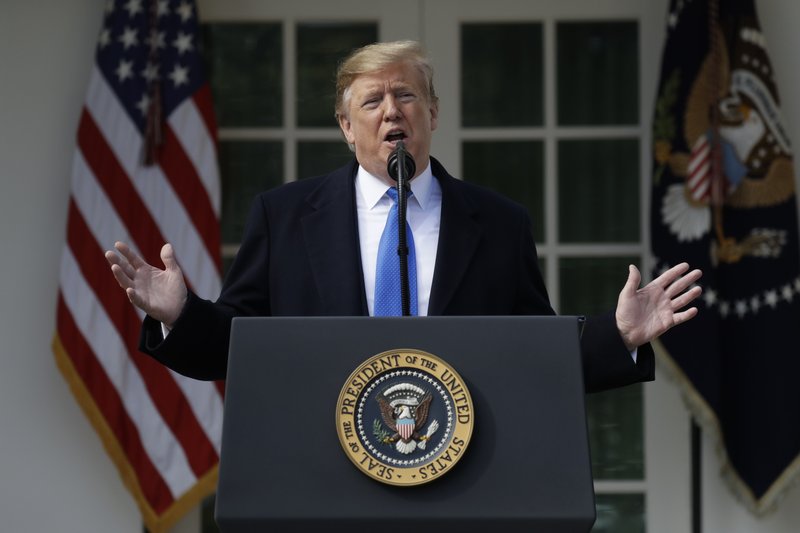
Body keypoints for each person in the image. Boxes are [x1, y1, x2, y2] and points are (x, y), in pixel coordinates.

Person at [105, 40, 702, 392]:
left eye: (407, 96)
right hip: (325, 480)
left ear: (433, 114)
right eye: (372, 101)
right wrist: (180, 315)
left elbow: (535, 352)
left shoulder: (497, 223)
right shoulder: (285, 217)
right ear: (346, 128)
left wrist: (616, 335)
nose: (392, 111)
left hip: (459, 482)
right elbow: (237, 346)